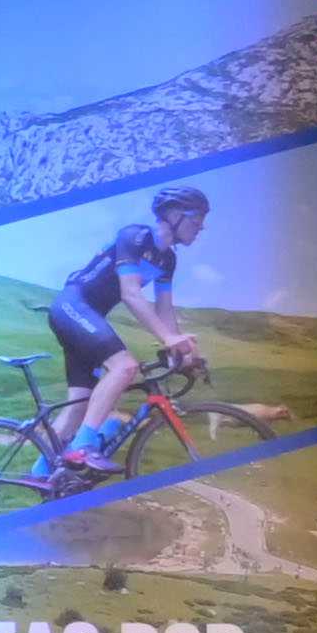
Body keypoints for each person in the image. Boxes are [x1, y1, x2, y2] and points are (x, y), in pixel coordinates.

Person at [48, 191, 208, 473]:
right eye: (197, 220)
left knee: (78, 406)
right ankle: (80, 448)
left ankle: (41, 476)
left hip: (88, 318)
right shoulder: (134, 237)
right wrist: (168, 338)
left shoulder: (168, 261)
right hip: (73, 306)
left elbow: (165, 310)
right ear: (173, 215)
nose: (201, 227)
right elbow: (131, 293)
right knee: (124, 367)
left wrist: (181, 349)